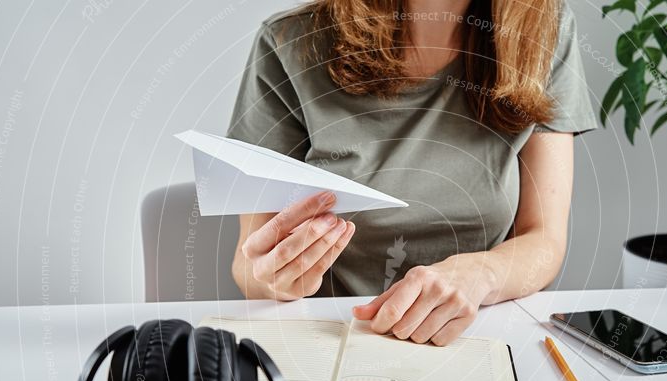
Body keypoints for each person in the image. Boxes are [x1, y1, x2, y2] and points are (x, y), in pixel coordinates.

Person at [229, 0, 596, 345]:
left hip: (479, 333)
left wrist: (482, 273)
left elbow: (544, 238)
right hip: (333, 338)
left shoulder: (541, 29)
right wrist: (276, 277)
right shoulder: (290, 44)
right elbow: (248, 264)